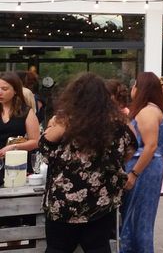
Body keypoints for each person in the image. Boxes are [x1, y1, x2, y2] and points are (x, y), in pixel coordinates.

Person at [38, 73, 135, 253]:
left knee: (58, 248)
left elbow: (45, 150)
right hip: (101, 203)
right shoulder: (118, 126)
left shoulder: (65, 123)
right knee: (99, 247)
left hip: (63, 205)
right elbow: (130, 149)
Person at [120, 72, 163, 253]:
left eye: (134, 85)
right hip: (145, 167)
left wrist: (134, 174)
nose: (131, 89)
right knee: (138, 217)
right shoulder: (151, 109)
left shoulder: (148, 111)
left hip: (143, 169)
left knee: (138, 218)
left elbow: (150, 146)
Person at [0, 72, 40, 185]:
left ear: (16, 90)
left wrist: (14, 147)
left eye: (4, 89)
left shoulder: (26, 112)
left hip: (16, 165)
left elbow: (36, 141)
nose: (0, 92)